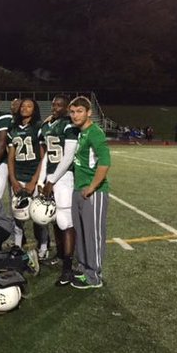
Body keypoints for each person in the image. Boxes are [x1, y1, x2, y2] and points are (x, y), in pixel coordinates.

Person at [68, 96, 111, 289]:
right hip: (79, 189)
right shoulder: (81, 133)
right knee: (82, 233)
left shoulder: (95, 133)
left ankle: (94, 276)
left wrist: (92, 187)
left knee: (93, 234)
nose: (75, 115)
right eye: (73, 111)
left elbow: (105, 162)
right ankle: (85, 269)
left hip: (93, 192)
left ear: (88, 113)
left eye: (79, 111)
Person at [38, 95, 80, 284]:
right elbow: (47, 155)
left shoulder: (68, 125)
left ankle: (68, 267)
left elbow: (69, 155)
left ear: (67, 108)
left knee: (65, 221)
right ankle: (61, 254)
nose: (55, 107)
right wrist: (42, 179)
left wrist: (52, 180)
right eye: (54, 104)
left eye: (59, 105)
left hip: (64, 178)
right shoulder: (48, 125)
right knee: (54, 219)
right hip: (51, 178)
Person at [7, 98, 43, 248]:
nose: (25, 108)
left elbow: (43, 157)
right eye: (23, 106)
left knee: (39, 215)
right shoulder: (13, 128)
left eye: (29, 106)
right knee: (17, 215)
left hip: (34, 174)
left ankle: (43, 247)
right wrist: (13, 180)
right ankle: (17, 246)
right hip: (19, 176)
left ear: (34, 110)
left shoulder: (38, 127)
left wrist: (34, 181)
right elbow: (11, 157)